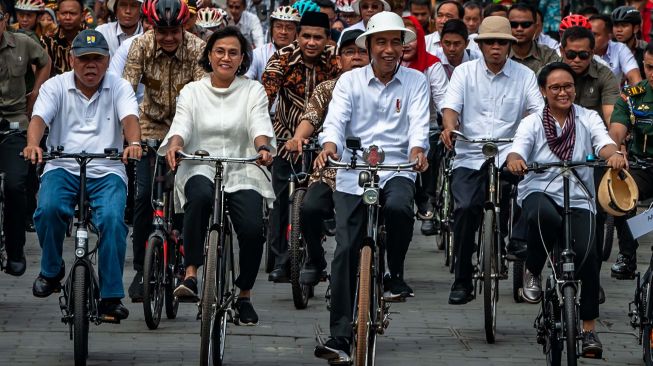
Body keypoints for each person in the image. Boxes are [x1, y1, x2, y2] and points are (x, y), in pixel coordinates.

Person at [313, 11, 430, 360]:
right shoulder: (349, 81)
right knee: (346, 249)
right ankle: (339, 336)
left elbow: (419, 124)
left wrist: (417, 150)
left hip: (397, 167)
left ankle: (394, 270)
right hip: (353, 168)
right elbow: (335, 120)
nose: (389, 49)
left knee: (397, 209)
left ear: (404, 46)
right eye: (382, 42)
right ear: (370, 46)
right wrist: (330, 146)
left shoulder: (416, 82)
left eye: (396, 42)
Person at [506, 62, 626, 356]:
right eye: (556, 87)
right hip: (540, 190)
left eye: (568, 86)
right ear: (544, 91)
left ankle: (588, 331)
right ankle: (533, 269)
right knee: (539, 215)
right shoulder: (533, 122)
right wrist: (515, 159)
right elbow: (517, 148)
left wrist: (614, 155)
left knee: (589, 254)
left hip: (580, 197)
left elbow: (604, 143)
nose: (563, 92)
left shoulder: (587, 117)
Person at [160, 26, 275, 324]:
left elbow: (259, 123)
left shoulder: (252, 90)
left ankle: (244, 294)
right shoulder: (192, 91)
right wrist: (175, 145)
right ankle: (191, 273)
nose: (226, 57)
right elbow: (182, 124)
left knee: (252, 230)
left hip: (243, 167)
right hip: (200, 164)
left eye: (233, 52)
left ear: (242, 59)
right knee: (197, 197)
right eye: (220, 51)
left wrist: (262, 146)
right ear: (209, 55)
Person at [24, 30, 142, 320]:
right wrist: (33, 144)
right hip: (62, 166)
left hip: (107, 169)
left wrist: (135, 144)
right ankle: (51, 271)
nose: (91, 65)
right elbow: (39, 118)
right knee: (48, 209)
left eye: (98, 59)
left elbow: (129, 118)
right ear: (72, 59)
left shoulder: (120, 86)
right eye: (85, 59)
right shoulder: (55, 86)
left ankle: (111, 296)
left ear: (107, 60)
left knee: (114, 222)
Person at [440, 16, 544, 305]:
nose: (495, 48)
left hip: (510, 152)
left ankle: (518, 240)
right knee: (464, 209)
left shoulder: (524, 75)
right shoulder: (464, 73)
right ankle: (462, 279)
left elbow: (538, 112)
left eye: (501, 42)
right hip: (471, 153)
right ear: (481, 45)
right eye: (490, 42)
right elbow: (450, 108)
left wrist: (524, 140)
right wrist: (450, 127)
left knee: (530, 191)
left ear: (510, 45)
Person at [122, 0, 206, 302]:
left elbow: (201, 95)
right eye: (161, 31)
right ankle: (141, 269)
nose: (168, 37)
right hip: (150, 124)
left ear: (183, 26)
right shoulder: (140, 47)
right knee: (144, 195)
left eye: (174, 31)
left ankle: (185, 255)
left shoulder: (198, 48)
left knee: (185, 195)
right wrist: (130, 136)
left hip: (188, 126)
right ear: (151, 27)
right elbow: (126, 92)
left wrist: (181, 138)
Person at [282, 28, 369, 286]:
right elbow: (310, 117)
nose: (356, 57)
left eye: (362, 52)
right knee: (309, 207)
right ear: (338, 59)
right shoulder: (328, 89)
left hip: (371, 171)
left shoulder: (380, 87)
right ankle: (315, 259)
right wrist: (298, 137)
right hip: (331, 167)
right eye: (349, 52)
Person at [262, 11, 338, 283]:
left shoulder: (336, 62)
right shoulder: (281, 59)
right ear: (297, 35)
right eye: (306, 36)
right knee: (281, 198)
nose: (311, 42)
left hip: (324, 140)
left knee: (318, 200)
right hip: (285, 138)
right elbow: (265, 96)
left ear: (327, 39)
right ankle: (282, 259)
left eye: (318, 37)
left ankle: (314, 254)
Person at [0, 0, 50, 276]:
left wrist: (35, 94)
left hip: (15, 125)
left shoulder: (21, 43)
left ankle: (16, 249)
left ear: (6, 19)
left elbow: (45, 61)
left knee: (16, 186)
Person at [608, 42, 653, 280]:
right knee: (620, 193)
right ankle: (627, 255)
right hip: (643, 166)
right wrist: (615, 149)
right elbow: (617, 128)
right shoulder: (633, 97)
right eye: (649, 67)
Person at [402, 15, 448, 235]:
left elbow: (443, 100)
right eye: (400, 37)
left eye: (411, 37)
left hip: (426, 125)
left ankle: (426, 200)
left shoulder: (431, 65)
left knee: (427, 149)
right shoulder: (384, 63)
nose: (405, 43)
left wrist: (449, 123)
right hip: (392, 129)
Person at [245, 6, 299, 82]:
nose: (283, 32)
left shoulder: (302, 55)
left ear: (296, 32)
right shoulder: (258, 54)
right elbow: (246, 80)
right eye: (278, 27)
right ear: (271, 29)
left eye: (289, 28)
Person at [590, 14, 642, 85]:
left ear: (609, 36)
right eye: (587, 33)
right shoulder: (578, 51)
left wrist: (631, 94)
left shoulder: (620, 49)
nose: (589, 38)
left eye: (594, 34)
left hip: (615, 95)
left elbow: (636, 80)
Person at [508, 3, 559, 74]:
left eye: (526, 24)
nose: (519, 29)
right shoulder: (501, 55)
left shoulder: (548, 55)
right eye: (514, 24)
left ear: (536, 27)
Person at [40, 0, 85, 76]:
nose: (67, 17)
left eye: (73, 13)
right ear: (57, 15)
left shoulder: (91, 37)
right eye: (64, 13)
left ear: (82, 16)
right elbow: (44, 73)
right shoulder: (47, 39)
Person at [612, 6, 647, 80]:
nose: (619, 30)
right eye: (615, 25)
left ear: (636, 28)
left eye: (624, 25)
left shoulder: (645, 50)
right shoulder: (606, 49)